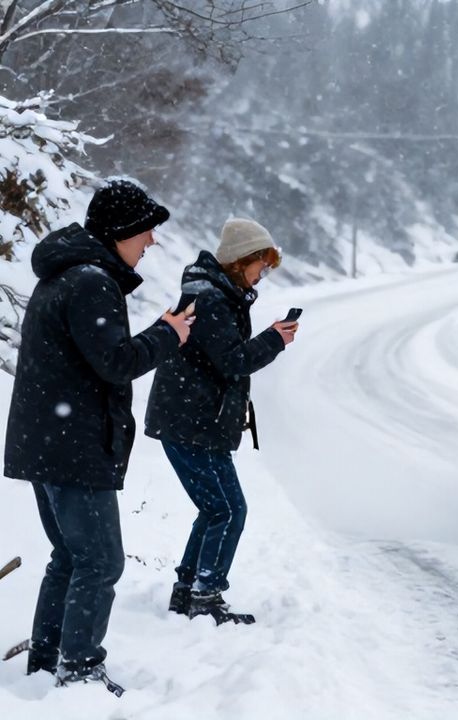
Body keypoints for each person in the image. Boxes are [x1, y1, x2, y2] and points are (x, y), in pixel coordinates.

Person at [4, 179, 190, 690]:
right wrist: (168, 334)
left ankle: (47, 663)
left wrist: (160, 331)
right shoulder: (90, 281)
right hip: (73, 446)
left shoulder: (69, 274)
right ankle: (80, 671)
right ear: (121, 232)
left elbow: (97, 358)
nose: (151, 240)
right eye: (146, 230)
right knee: (100, 562)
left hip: (50, 443)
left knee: (70, 557)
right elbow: (115, 362)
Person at [146, 218, 297, 623]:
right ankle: (205, 596)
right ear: (241, 260)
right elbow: (233, 361)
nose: (263, 275)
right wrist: (274, 340)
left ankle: (188, 591)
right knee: (228, 510)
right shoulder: (212, 299)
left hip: (195, 422)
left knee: (217, 509)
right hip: (191, 423)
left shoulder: (219, 294)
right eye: (262, 266)